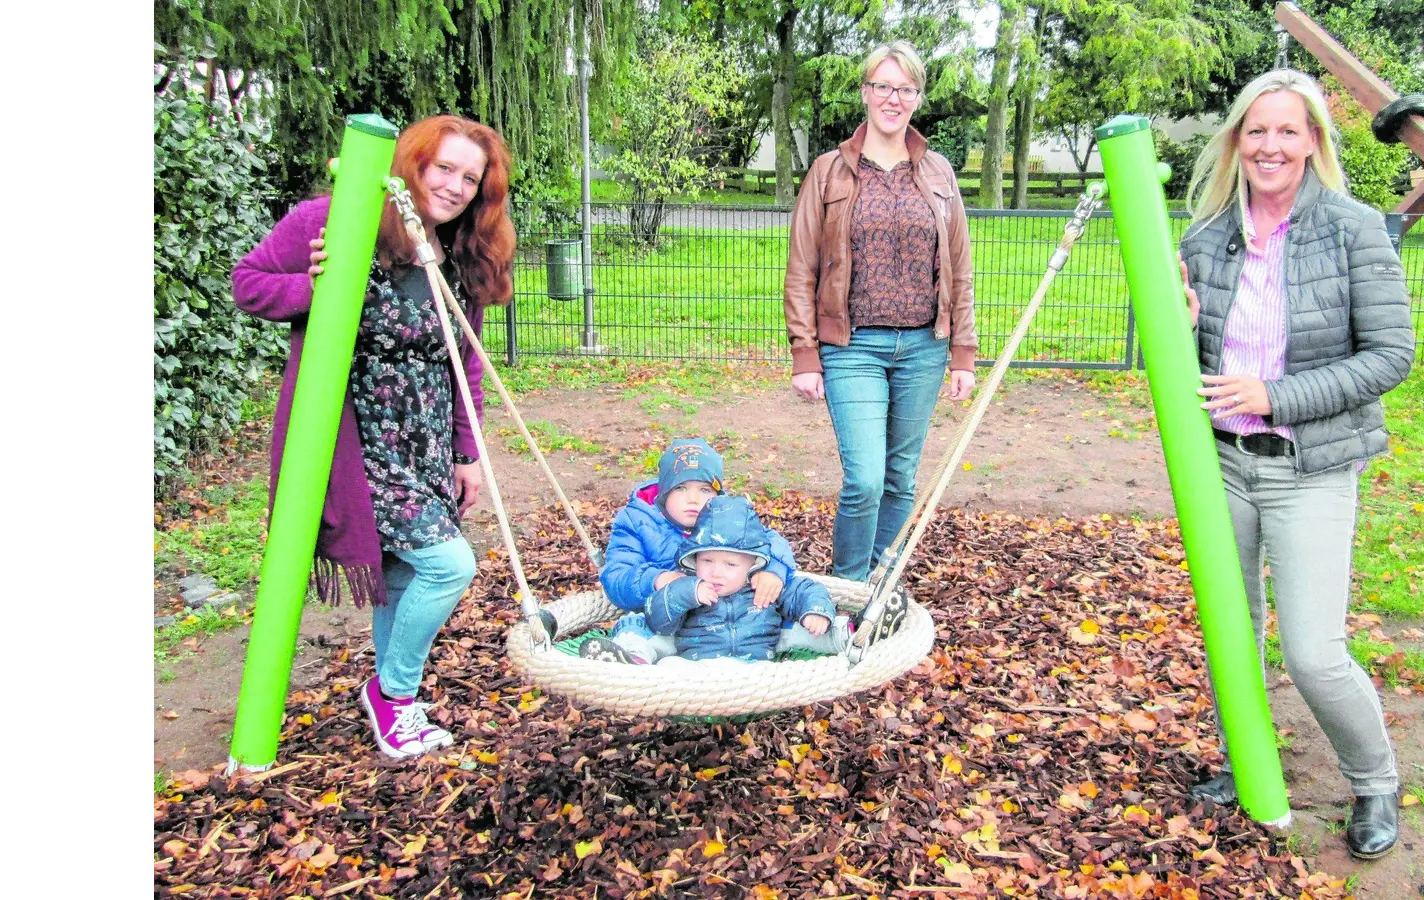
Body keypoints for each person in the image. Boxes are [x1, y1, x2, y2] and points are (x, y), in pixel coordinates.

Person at [1175, 69, 1415, 860]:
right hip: (1224, 466)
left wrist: (1274, 395)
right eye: (1257, 131)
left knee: (1313, 650)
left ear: (1312, 141)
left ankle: (1374, 779)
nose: (1270, 146)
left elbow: (1391, 357)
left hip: (1308, 465)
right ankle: (1247, 763)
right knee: (1230, 634)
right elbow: (1181, 369)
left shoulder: (1354, 229)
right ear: (1236, 142)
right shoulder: (1205, 235)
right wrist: (1174, 329)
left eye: (1288, 131)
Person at [232, 115, 516, 760]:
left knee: (401, 570)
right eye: (444, 167)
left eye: (470, 179)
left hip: (424, 440)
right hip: (354, 442)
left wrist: (467, 452)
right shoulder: (331, 220)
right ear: (412, 162)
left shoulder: (457, 253)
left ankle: (393, 705)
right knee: (449, 566)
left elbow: (463, 362)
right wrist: (316, 288)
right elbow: (248, 285)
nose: (454, 187)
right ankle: (395, 695)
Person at [783, 40, 977, 585]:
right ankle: (846, 591)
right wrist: (805, 354)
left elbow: (959, 268)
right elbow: (802, 269)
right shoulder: (828, 172)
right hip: (852, 348)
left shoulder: (939, 174)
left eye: (906, 88)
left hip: (924, 347)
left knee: (900, 481)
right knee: (865, 479)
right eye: (883, 86)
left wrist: (962, 351)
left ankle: (875, 585)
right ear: (866, 93)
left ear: (917, 98)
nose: (894, 98)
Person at [569, 438, 846, 663]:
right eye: (681, 489)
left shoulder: (725, 518)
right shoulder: (637, 522)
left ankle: (846, 635)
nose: (693, 500)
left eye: (704, 490)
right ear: (664, 492)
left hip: (740, 622)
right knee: (634, 626)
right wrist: (658, 579)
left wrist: (773, 570)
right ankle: (630, 659)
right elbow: (617, 578)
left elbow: (770, 541)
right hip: (669, 623)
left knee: (790, 616)